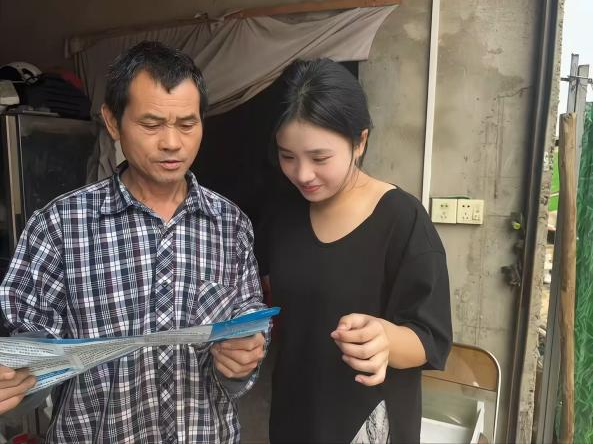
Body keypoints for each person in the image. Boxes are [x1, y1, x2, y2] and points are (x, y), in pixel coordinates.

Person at [0, 41, 268, 443]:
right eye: (152, 124)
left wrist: (243, 358)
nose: (172, 143)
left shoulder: (230, 225)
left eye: (187, 124)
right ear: (113, 122)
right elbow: (27, 347)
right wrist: (17, 379)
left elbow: (248, 323)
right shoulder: (60, 225)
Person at [260, 59, 453, 443]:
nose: (302, 174)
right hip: (294, 415)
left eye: (320, 158)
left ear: (360, 141)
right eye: (287, 156)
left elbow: (431, 338)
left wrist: (386, 338)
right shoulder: (283, 214)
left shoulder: (401, 219)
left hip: (366, 424)